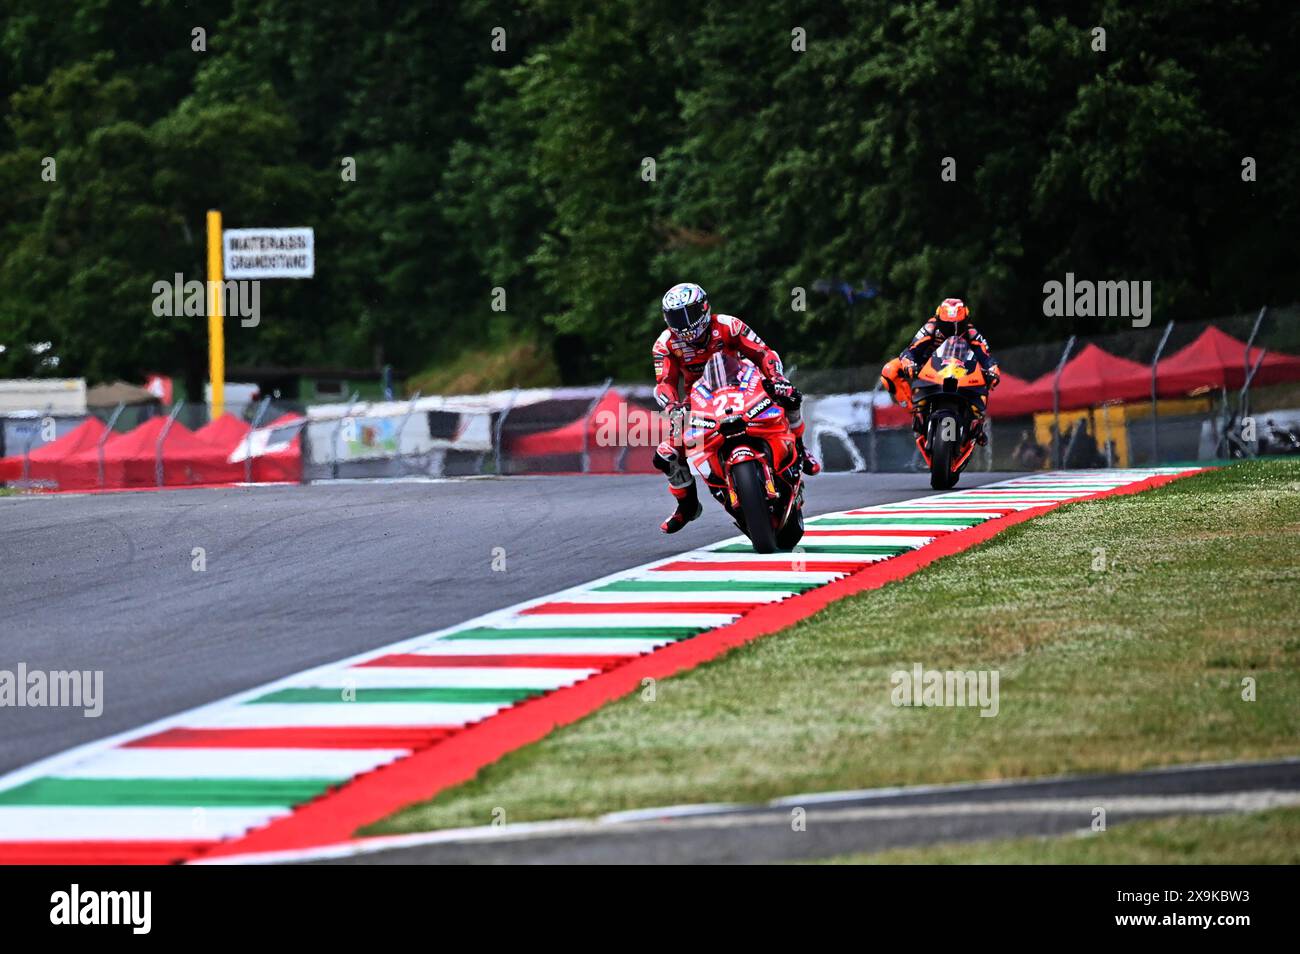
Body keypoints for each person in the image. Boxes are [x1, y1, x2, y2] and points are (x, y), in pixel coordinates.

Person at [652, 282, 819, 533]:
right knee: (667, 454)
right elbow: (664, 382)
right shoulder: (665, 344)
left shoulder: (729, 325)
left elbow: (763, 353)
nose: (685, 323)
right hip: (700, 401)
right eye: (677, 317)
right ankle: (687, 506)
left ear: (704, 308)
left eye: (690, 314)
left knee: (791, 398)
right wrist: (674, 406)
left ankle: (800, 448)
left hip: (745, 386)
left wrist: (776, 378)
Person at [881, 297, 1001, 445]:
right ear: (938, 320)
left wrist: (992, 370)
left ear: (966, 321)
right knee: (889, 371)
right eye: (948, 326)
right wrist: (909, 363)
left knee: (989, 377)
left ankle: (977, 421)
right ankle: (915, 412)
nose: (954, 330)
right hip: (929, 370)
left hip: (962, 373)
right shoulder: (930, 328)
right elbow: (910, 350)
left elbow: (986, 356)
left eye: (959, 325)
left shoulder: (972, 333)